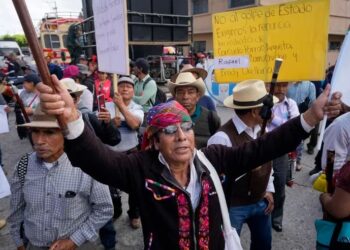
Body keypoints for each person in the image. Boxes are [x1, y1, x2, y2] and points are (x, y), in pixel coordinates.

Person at [36, 75, 341, 250]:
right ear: (154, 140)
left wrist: (311, 117)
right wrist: (72, 119)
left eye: (186, 128)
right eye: (169, 130)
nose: (181, 136)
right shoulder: (140, 168)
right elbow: (98, 161)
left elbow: (265, 147)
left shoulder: (215, 160)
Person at [8, 107, 114, 250]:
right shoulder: (23, 165)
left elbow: (104, 209)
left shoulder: (87, 166)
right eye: (35, 132)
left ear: (66, 135)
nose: (39, 141)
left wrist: (74, 240)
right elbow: (17, 210)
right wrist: (19, 242)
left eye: (49, 132)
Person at [207, 79, 279, 250]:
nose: (271, 111)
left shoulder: (263, 130)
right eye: (267, 107)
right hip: (233, 207)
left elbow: (269, 163)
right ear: (255, 111)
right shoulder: (222, 138)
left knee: (263, 244)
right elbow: (211, 182)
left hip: (260, 202)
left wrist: (268, 189)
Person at [111, 76, 144, 229]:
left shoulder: (137, 108)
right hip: (110, 153)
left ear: (133, 91)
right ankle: (115, 211)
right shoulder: (105, 106)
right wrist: (110, 124)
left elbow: (134, 124)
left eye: (128, 86)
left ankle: (134, 214)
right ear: (116, 89)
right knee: (110, 185)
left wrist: (121, 107)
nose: (124, 88)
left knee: (135, 185)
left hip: (131, 152)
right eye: (121, 85)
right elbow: (97, 129)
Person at [267, 82, 300, 232]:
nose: (280, 89)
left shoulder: (291, 104)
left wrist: (273, 118)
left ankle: (276, 218)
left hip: (281, 151)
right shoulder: (265, 102)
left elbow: (294, 127)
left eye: (284, 85)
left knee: (280, 184)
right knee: (261, 183)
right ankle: (262, 216)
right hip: (263, 149)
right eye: (278, 85)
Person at [169, 72, 221, 148]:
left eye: (190, 92)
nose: (185, 97)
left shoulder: (211, 117)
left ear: (198, 96)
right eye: (180, 92)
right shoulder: (168, 118)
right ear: (175, 96)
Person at [287, 81, 316, 159]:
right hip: (288, 114)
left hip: (302, 114)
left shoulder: (310, 85)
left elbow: (312, 103)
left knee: (300, 139)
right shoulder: (288, 83)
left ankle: (297, 159)